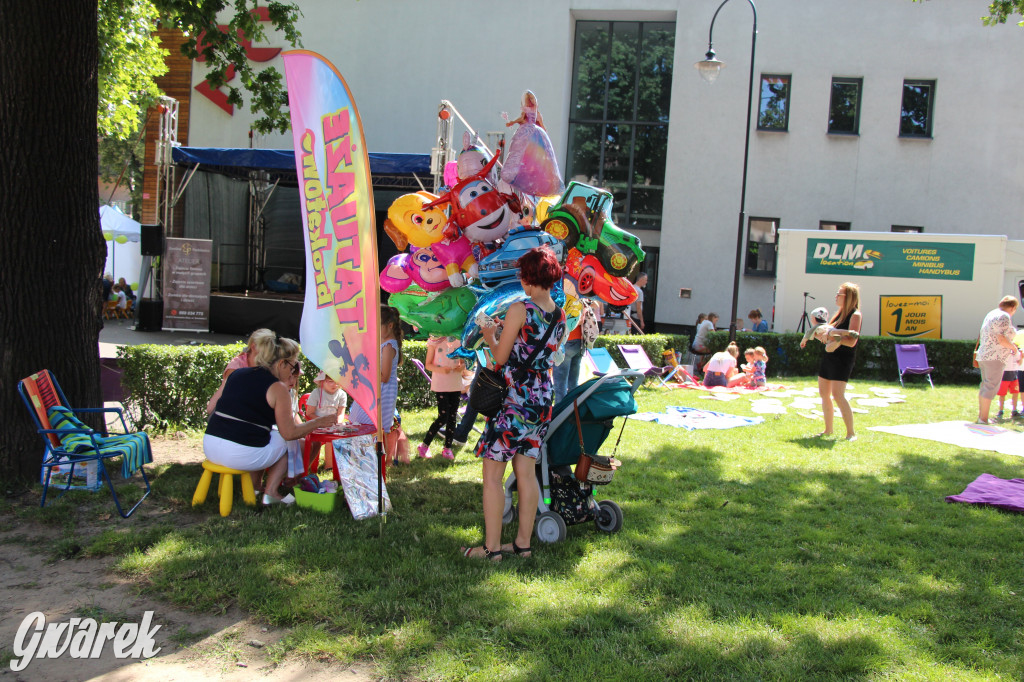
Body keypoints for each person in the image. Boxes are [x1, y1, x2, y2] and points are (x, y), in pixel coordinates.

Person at [462, 246, 566, 561]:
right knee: (526, 472)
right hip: (542, 399)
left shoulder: (521, 309)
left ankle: (491, 549)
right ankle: (523, 545)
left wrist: (489, 334)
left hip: (514, 401)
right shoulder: (559, 314)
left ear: (530, 277)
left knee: (493, 475)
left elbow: (500, 357)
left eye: (522, 275)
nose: (520, 280)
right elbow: (542, 353)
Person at [204, 335, 340, 505]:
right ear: (281, 363)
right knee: (287, 440)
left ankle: (256, 486)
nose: (292, 372)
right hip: (238, 454)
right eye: (292, 366)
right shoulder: (277, 388)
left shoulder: (237, 374)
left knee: (271, 436)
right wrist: (319, 422)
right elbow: (289, 433)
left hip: (210, 446)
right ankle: (271, 492)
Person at [814, 282, 863, 440]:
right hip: (830, 356)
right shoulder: (838, 314)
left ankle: (851, 433)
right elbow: (829, 334)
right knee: (824, 393)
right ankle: (828, 430)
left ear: (848, 297)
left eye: (839, 293)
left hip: (843, 359)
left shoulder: (855, 315)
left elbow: (852, 341)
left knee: (838, 395)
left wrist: (836, 339)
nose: (836, 296)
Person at [349, 305, 402, 439]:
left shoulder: (388, 346)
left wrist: (365, 371)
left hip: (381, 392)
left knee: (371, 426)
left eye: (377, 326)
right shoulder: (383, 344)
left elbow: (384, 376)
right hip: (373, 390)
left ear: (390, 326)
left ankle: (373, 450)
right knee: (360, 422)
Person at [500, 90, 563, 197]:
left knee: (527, 153)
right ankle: (524, 173)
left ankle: (522, 173)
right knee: (526, 154)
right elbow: (533, 121)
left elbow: (523, 119)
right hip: (533, 131)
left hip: (528, 132)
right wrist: (543, 131)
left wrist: (513, 122)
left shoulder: (531, 111)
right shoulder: (534, 111)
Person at [206, 329, 275, 416]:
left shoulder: (270, 366)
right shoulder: (236, 367)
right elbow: (212, 408)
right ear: (253, 347)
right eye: (267, 348)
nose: (270, 353)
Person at [976, 296, 1022, 424]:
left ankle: (981, 417)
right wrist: (1014, 348)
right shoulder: (1004, 316)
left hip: (984, 355)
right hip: (995, 357)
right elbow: (1001, 338)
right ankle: (983, 419)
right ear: (1012, 307)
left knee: (985, 386)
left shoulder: (992, 313)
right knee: (990, 387)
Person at [419, 335, 465, 460]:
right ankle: (424, 445)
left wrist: (462, 366)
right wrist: (441, 370)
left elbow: (462, 362)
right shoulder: (434, 341)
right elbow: (428, 364)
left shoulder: (458, 340)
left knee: (452, 417)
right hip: (440, 384)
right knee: (443, 416)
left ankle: (447, 448)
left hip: (455, 383)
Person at [303, 371, 348, 470]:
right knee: (316, 442)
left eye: (337, 381)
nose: (335, 384)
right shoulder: (316, 393)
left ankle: (329, 466)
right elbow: (309, 413)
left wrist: (338, 423)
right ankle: (311, 465)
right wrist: (321, 422)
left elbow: (341, 413)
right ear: (322, 381)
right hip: (316, 424)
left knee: (333, 439)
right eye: (330, 381)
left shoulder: (342, 394)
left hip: (332, 425)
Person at [995, 350, 1022, 420]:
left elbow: (1019, 363)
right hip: (1004, 374)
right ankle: (1001, 411)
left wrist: (1021, 356)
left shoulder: (1017, 352)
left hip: (1014, 375)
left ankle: (1014, 411)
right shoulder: (1003, 350)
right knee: (1002, 394)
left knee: (1015, 393)